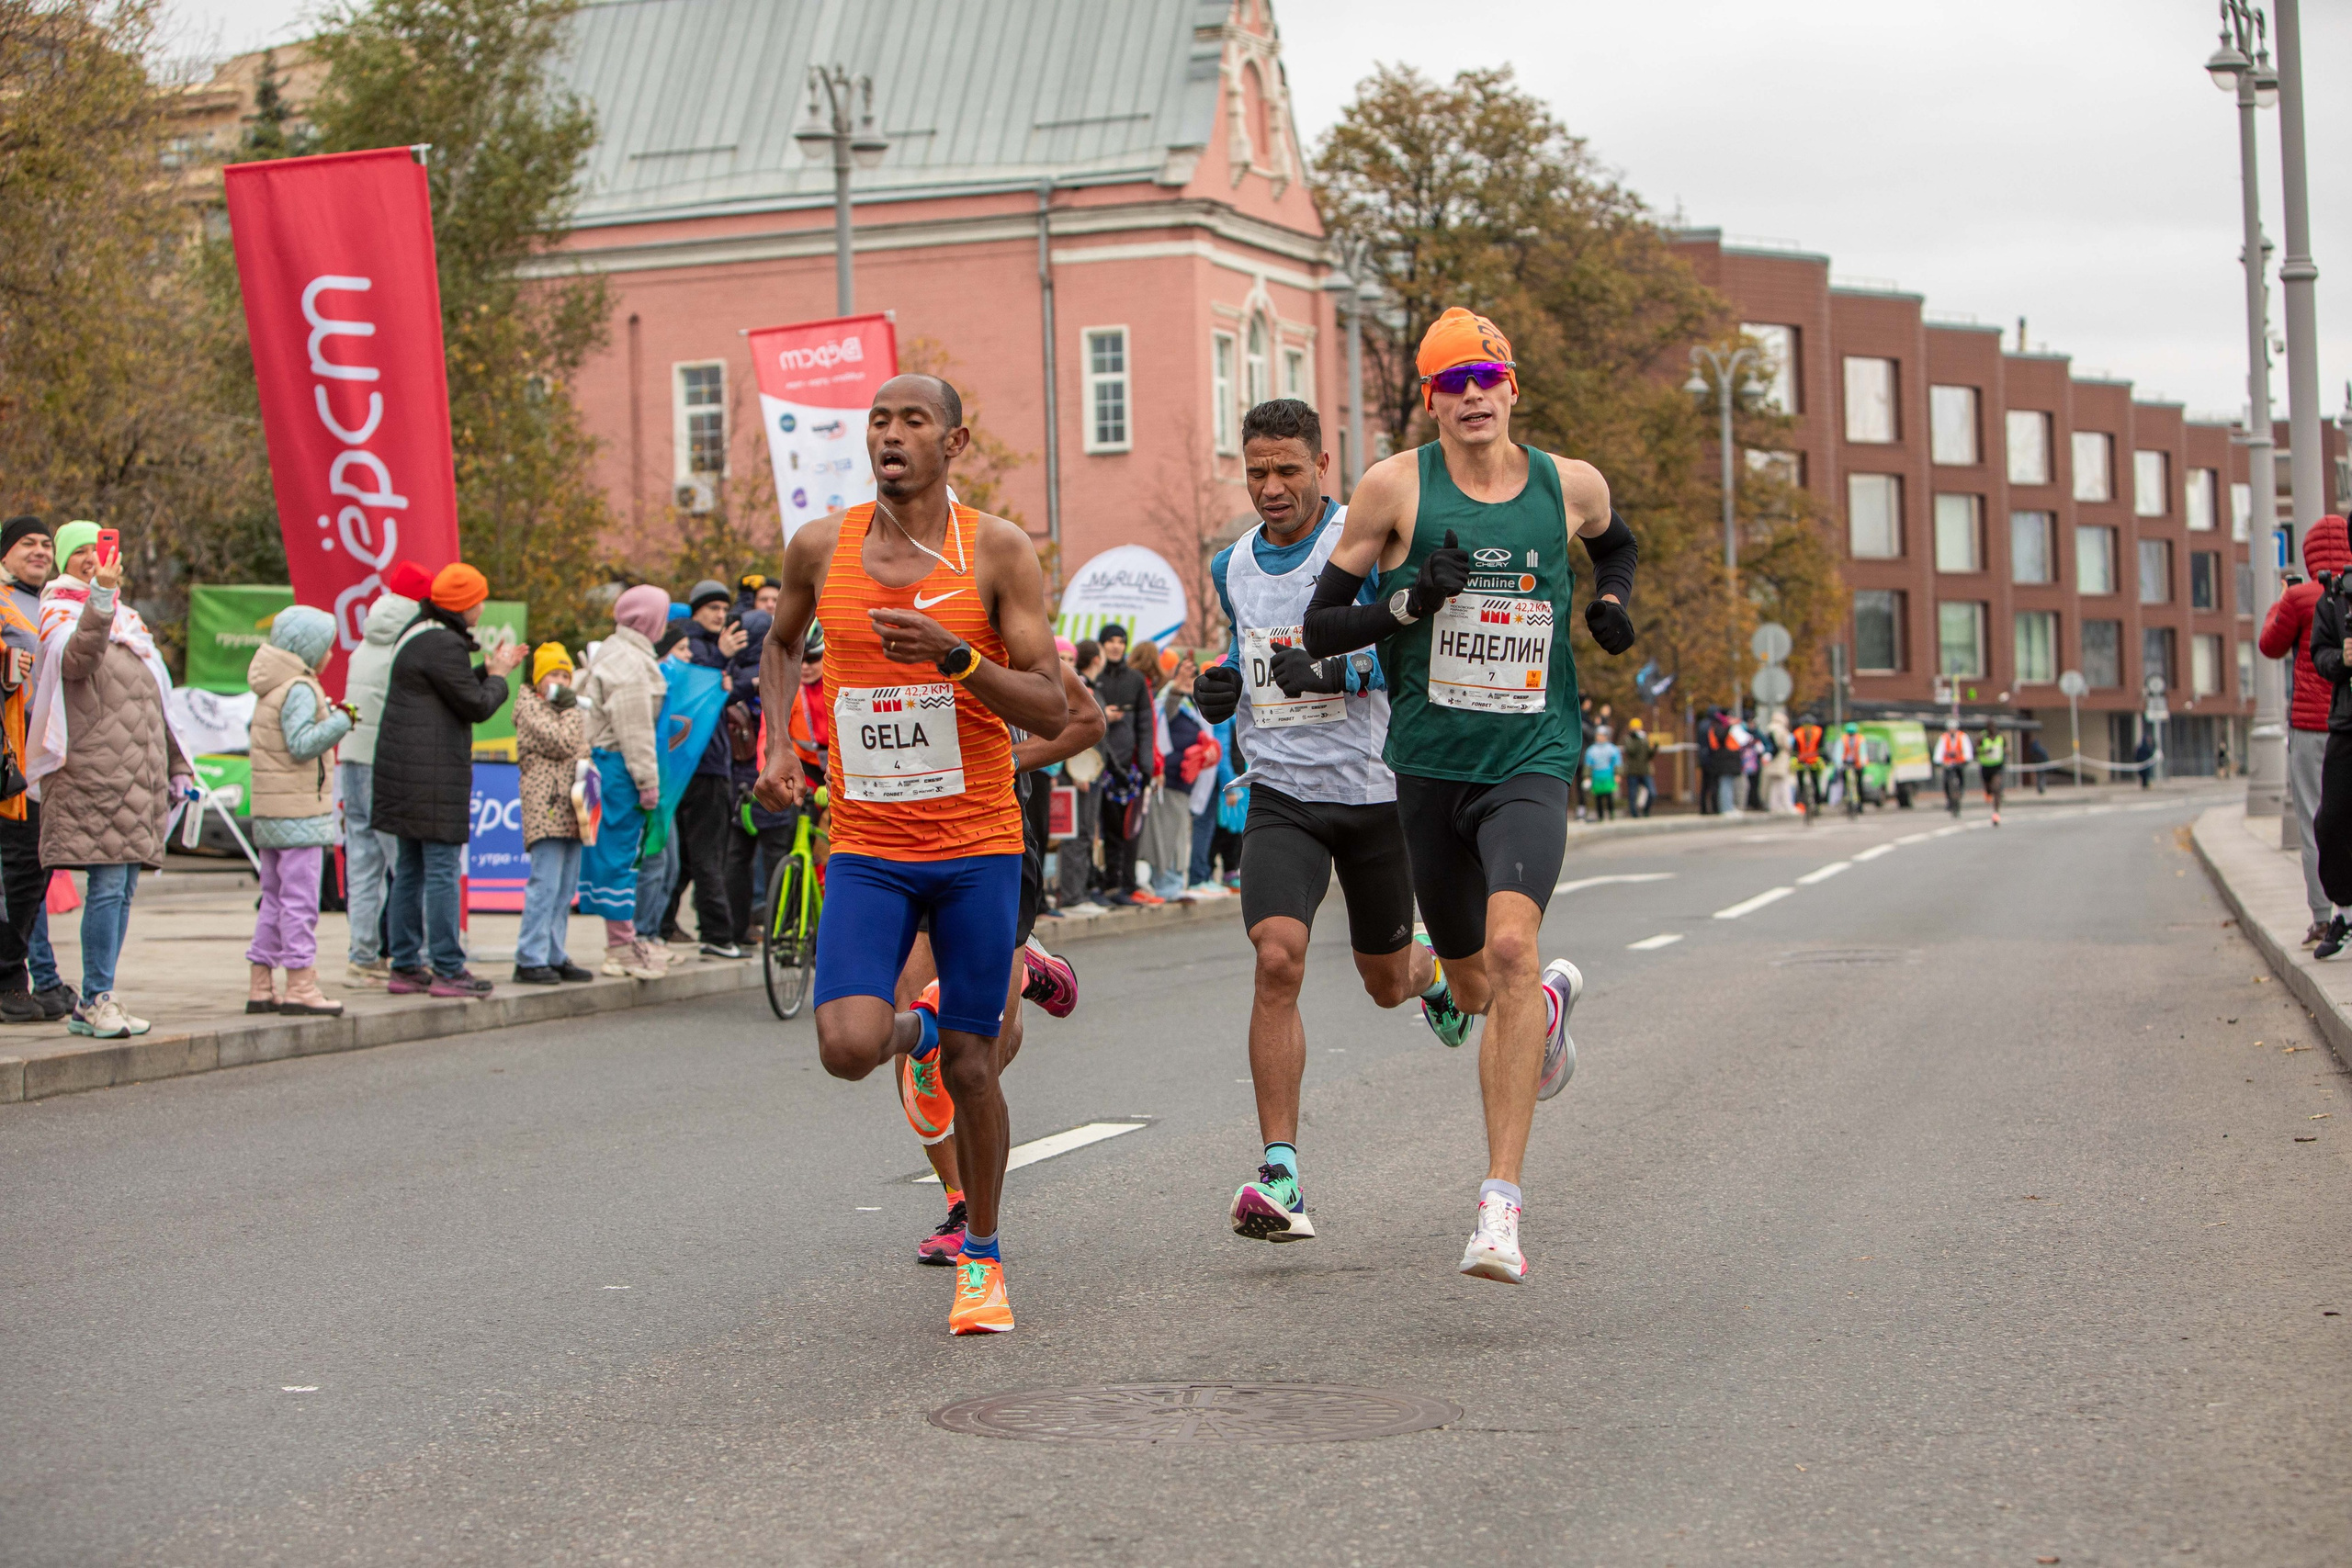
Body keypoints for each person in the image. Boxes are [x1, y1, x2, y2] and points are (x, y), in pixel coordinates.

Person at [1302, 306, 1636, 1282]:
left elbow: (1615, 547)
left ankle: (1499, 1205)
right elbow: (1322, 626)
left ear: (1510, 386)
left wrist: (1608, 602)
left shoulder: (1567, 485)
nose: (1470, 397)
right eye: (1449, 384)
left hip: (1531, 754)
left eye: (1483, 379)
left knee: (1510, 945)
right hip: (1428, 764)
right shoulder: (1392, 488)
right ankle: (1544, 1012)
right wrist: (1410, 601)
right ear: (1432, 400)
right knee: (1473, 987)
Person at [754, 372, 1069, 1335]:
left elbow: (1053, 704)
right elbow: (778, 643)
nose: (890, 436)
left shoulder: (997, 552)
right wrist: (777, 743)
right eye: (878, 422)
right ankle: (921, 1030)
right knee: (849, 1045)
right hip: (870, 845)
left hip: (976, 845)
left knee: (975, 1070)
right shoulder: (821, 546)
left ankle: (983, 1256)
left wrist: (957, 658)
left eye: (912, 421)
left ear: (954, 442)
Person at [1188, 396, 1464, 1242]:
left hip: (1376, 794)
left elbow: (1411, 643)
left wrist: (1336, 677)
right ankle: (1281, 1172)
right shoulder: (1231, 563)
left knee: (1386, 983)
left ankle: (1436, 978)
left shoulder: (1363, 538)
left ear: (1321, 467)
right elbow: (1240, 656)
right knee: (1278, 957)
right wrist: (1216, 689)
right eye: (1257, 471)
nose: (1271, 487)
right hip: (1281, 794)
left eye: (1287, 470)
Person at [899, 655, 1101, 1266]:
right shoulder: (898, 648)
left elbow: (1086, 720)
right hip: (908, 838)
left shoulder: (1018, 649)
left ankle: (1026, 968)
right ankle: (962, 1203)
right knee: (922, 1044)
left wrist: (1010, 758)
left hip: (997, 841)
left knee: (980, 1054)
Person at [26, 519, 191, 1039]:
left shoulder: (129, 620)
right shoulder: (58, 611)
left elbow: (156, 700)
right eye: (80, 552)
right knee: (107, 885)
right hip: (91, 773)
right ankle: (96, 996)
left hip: (136, 777)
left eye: (98, 550)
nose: (93, 559)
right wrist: (100, 596)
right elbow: (77, 662)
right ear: (65, 561)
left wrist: (178, 762)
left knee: (122, 889)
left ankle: (99, 996)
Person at [371, 562, 526, 998]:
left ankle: (404, 964)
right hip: (433, 776)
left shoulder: (420, 633)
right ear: (464, 604)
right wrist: (497, 678)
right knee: (440, 870)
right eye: (478, 599)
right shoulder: (443, 643)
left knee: (409, 870)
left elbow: (450, 690)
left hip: (407, 772)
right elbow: (475, 705)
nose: (481, 607)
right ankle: (447, 967)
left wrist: (489, 670)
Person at [243, 605, 356, 1016]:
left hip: (272, 810)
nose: (330, 654)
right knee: (300, 901)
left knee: (273, 897)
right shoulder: (300, 688)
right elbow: (302, 743)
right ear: (309, 648)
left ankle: (261, 982)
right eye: (326, 646)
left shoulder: (272, 686)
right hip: (301, 813)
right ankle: (301, 984)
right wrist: (342, 721)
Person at [339, 561, 429, 986]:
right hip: (387, 763)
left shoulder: (365, 641)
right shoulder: (411, 645)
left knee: (362, 862)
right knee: (405, 863)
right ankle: (418, 950)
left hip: (352, 757)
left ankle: (362, 953)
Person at [2261, 518, 2349, 945]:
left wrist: (2281, 603)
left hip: (2311, 728)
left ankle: (2322, 914)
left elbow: (2270, 645)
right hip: (2347, 725)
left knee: (2315, 819)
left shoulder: (2299, 597)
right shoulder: (2346, 595)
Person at [577, 585, 670, 978]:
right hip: (619, 768)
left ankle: (624, 939)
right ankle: (620, 946)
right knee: (621, 854)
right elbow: (634, 729)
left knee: (611, 852)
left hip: (606, 764)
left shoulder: (617, 651)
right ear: (651, 620)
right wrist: (648, 782)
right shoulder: (631, 662)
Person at [674, 579, 752, 957]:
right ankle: (718, 935)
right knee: (707, 855)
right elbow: (699, 696)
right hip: (698, 765)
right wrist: (722, 662)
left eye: (723, 609)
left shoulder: (715, 647)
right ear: (696, 611)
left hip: (712, 763)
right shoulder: (694, 648)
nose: (720, 616)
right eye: (713, 609)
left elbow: (729, 691)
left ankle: (660, 924)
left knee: (688, 857)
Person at [513, 642, 594, 985]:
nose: (561, 681)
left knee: (564, 888)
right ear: (538, 681)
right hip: (545, 806)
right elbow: (563, 742)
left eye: (565, 675)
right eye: (553, 675)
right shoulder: (530, 708)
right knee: (544, 884)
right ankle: (529, 956)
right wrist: (573, 711)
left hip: (573, 808)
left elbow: (583, 747)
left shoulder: (565, 711)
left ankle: (554, 952)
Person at [0, 517, 55, 1022]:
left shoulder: (58, 604)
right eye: (27, 543)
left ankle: (24, 975)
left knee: (32, 873)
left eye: (46, 544)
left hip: (47, 762)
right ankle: (11, 978)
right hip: (8, 762)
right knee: (17, 872)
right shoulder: (3, 602)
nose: (40, 551)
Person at [2308, 544, 2352, 957]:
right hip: (2347, 723)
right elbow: (2318, 653)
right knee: (2330, 820)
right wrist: (2342, 659)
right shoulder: (2337, 595)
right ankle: (2346, 909)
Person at [1089, 622, 1151, 905]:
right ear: (1102, 645)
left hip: (1129, 768)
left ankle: (1126, 885)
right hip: (1098, 764)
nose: (1116, 646)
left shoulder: (1136, 679)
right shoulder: (1093, 678)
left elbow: (1146, 724)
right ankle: (1107, 884)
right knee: (1102, 829)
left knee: (1129, 830)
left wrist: (1147, 765)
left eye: (1121, 641)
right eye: (1111, 641)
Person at [1791, 713, 1826, 818]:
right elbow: (1795, 749)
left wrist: (1821, 758)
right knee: (1800, 781)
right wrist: (1794, 759)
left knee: (1815, 782)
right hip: (1801, 761)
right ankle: (1802, 803)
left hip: (1814, 760)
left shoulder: (1818, 732)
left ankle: (1817, 804)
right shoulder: (1797, 734)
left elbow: (1821, 748)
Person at [1585, 724, 1622, 821]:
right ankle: (1600, 816)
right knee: (1598, 797)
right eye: (1598, 735)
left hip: (1608, 774)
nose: (1600, 737)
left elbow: (1617, 762)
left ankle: (1611, 814)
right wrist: (1587, 776)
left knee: (1609, 796)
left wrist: (1617, 774)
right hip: (1597, 775)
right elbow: (1588, 764)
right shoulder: (1592, 750)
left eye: (1602, 735)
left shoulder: (1612, 749)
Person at [1935, 720, 1972, 817]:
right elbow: (1939, 751)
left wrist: (1966, 759)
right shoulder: (1943, 738)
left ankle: (1960, 793)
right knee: (1947, 782)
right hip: (1948, 765)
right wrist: (1938, 761)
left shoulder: (1963, 737)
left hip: (1959, 764)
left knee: (1960, 780)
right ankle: (1949, 799)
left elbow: (1967, 750)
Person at [1622, 715, 1654, 818]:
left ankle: (1646, 810)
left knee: (1652, 792)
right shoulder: (1628, 739)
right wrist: (1637, 740)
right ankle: (1634, 813)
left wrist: (1654, 747)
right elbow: (1631, 751)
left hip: (1644, 769)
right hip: (1633, 770)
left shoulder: (1644, 738)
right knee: (1632, 793)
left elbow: (1649, 755)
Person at [1976, 719, 2007, 826]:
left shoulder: (2001, 737)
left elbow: (2006, 749)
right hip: (1985, 767)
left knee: (1996, 788)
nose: (1992, 729)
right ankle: (1988, 793)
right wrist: (1984, 751)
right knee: (1989, 790)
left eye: (1994, 727)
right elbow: (1975, 751)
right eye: (1990, 727)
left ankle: (1996, 813)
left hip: (1997, 767)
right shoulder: (1982, 738)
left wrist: (2006, 753)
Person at [1835, 720, 1868, 816]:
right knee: (1846, 783)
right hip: (1846, 763)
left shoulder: (1860, 739)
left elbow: (1863, 752)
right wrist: (1839, 763)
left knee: (1859, 784)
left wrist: (1862, 762)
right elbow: (1839, 752)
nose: (1851, 735)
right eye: (1850, 734)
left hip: (1857, 764)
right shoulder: (1843, 739)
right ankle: (1847, 800)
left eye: (1852, 734)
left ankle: (1860, 804)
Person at [2024, 729, 2051, 795]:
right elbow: (2045, 756)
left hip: (2038, 764)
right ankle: (2041, 789)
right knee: (2041, 777)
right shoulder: (2039, 749)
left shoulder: (2033, 749)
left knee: (2039, 777)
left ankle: (2040, 789)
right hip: (2041, 765)